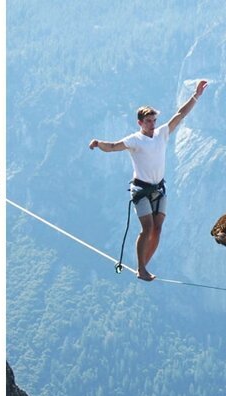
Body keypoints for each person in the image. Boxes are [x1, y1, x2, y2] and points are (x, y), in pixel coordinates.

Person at [89, 80, 208, 281]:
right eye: (148, 121)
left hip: (159, 189)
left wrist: (196, 95)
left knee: (158, 229)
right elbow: (112, 147)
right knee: (147, 228)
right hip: (141, 190)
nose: (152, 124)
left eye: (153, 121)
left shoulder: (162, 133)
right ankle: (141, 268)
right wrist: (97, 143)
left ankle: (144, 266)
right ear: (140, 123)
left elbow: (180, 114)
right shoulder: (135, 140)